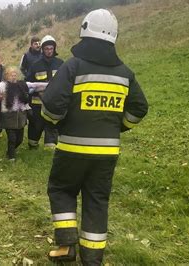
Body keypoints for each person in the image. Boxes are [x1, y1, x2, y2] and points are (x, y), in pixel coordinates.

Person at [41, 9, 148, 264]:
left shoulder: (73, 66)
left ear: (85, 30)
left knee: (61, 189)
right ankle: (92, 260)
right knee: (97, 201)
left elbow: (52, 105)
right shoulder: (125, 73)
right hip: (107, 153)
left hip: (72, 150)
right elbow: (139, 108)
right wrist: (118, 128)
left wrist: (55, 124)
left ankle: (67, 246)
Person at [0, 67, 47, 161]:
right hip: (8, 115)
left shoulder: (22, 84)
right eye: (11, 74)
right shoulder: (2, 85)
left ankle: (10, 151)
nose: (13, 75)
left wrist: (51, 84)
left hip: (21, 115)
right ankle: (11, 157)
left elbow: (36, 85)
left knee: (19, 139)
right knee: (12, 138)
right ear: (7, 75)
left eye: (15, 73)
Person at [26, 35, 64, 150]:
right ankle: (33, 145)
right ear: (43, 49)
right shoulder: (35, 65)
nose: (49, 51)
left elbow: (65, 82)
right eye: (46, 49)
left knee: (52, 123)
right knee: (36, 125)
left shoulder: (60, 64)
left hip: (53, 103)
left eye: (51, 49)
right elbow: (28, 84)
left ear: (54, 49)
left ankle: (50, 146)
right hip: (37, 103)